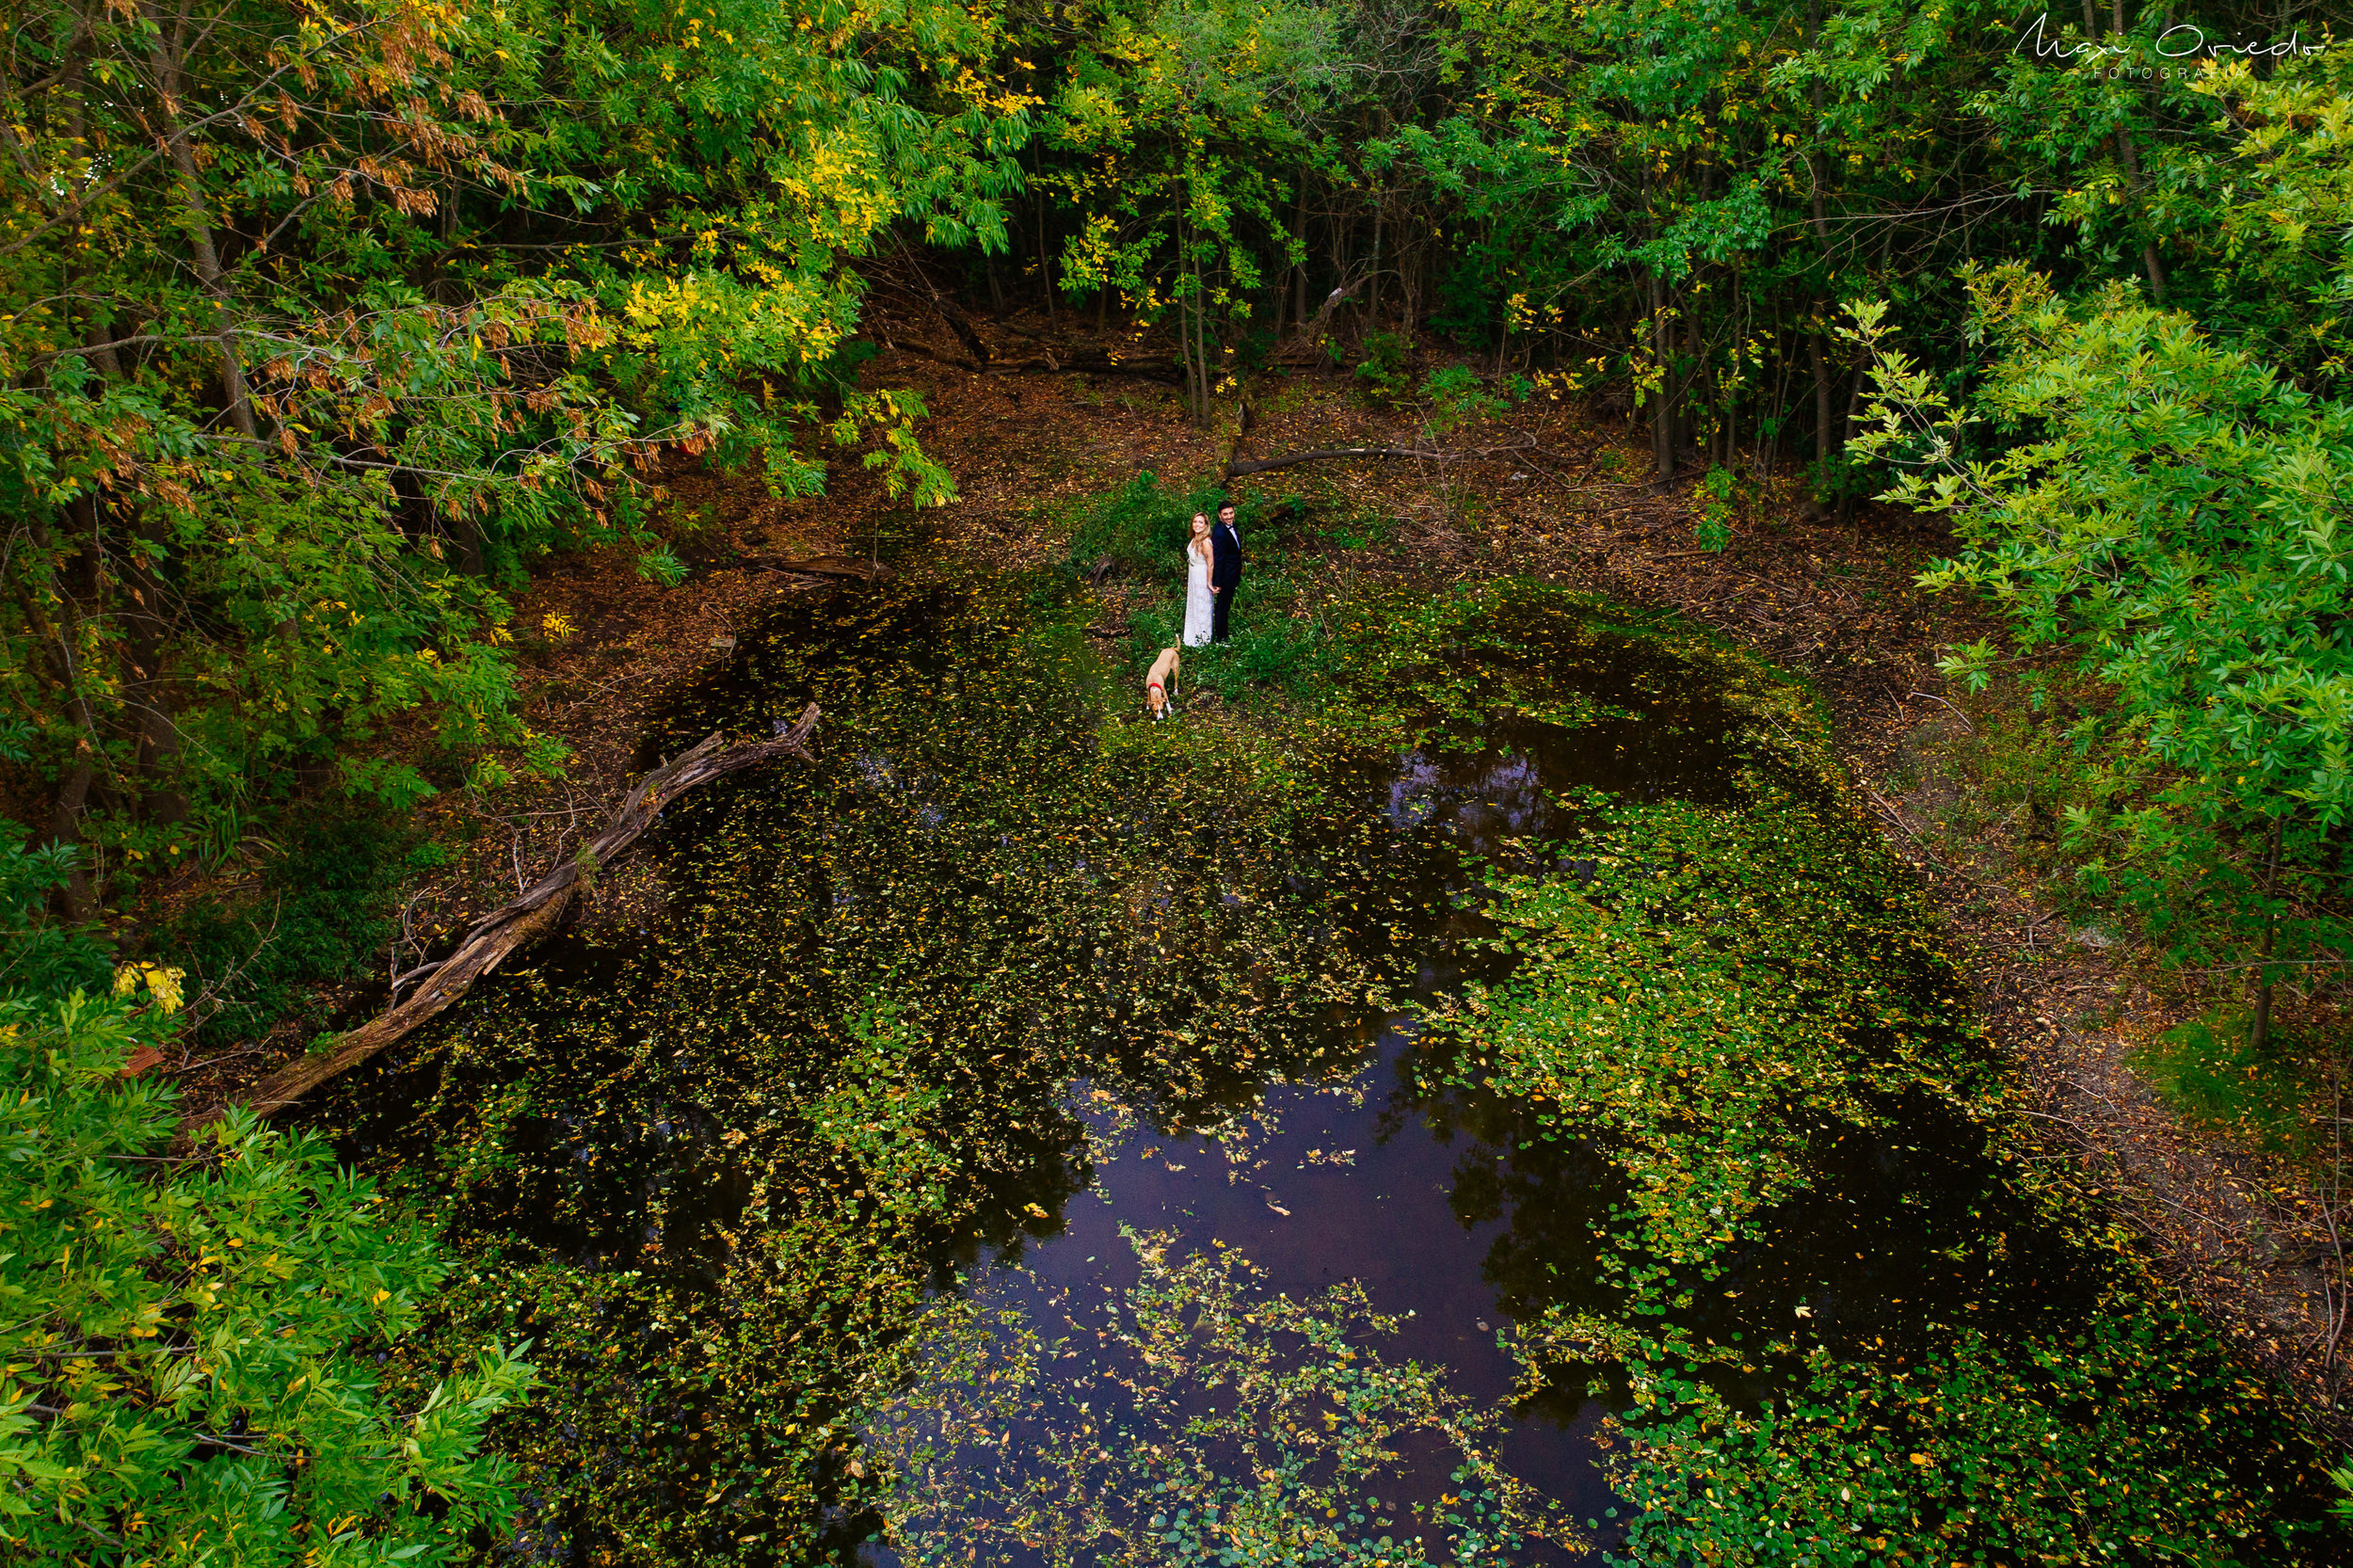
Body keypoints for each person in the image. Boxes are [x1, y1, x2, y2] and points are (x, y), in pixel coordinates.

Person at [1209, 500, 1242, 644]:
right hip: (1225, 577)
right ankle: (1221, 637)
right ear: (1219, 515)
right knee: (1222, 607)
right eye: (1225, 514)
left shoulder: (1232, 527)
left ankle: (1223, 632)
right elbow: (1218, 559)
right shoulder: (1219, 533)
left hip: (1232, 574)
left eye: (1231, 513)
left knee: (1226, 605)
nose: (1229, 516)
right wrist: (1217, 582)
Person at [1181, 513, 1214, 648]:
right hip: (1193, 575)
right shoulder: (1195, 538)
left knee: (1203, 606)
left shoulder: (1205, 542)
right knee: (1194, 604)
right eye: (1195, 522)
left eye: (1201, 522)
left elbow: (1211, 563)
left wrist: (1209, 582)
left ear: (1206, 525)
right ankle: (1193, 633)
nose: (1197, 525)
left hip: (1201, 576)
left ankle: (1203, 638)